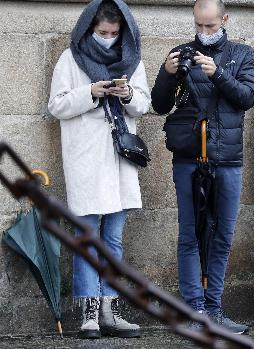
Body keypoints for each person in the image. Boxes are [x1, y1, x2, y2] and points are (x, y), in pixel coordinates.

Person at [150, 0, 254, 334]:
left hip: (227, 159)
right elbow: (159, 104)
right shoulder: (180, 53)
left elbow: (249, 97)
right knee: (189, 234)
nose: (203, 32)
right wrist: (168, 75)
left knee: (223, 234)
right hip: (188, 158)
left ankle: (213, 309)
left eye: (210, 25)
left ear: (225, 19)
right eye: (199, 25)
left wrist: (219, 73)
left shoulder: (243, 54)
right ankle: (194, 310)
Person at [47, 0, 149, 339]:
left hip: (119, 159)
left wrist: (126, 93)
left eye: (114, 33)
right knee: (86, 236)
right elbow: (57, 104)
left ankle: (110, 308)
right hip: (87, 159)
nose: (108, 38)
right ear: (89, 28)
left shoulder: (131, 59)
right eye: (102, 32)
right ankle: (89, 314)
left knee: (114, 238)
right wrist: (90, 91)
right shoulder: (70, 58)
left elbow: (144, 104)